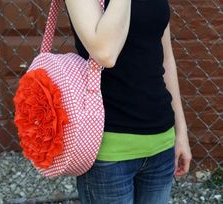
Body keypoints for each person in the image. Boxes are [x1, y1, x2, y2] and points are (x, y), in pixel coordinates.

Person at [64, 0, 192, 203]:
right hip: (109, 149)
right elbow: (106, 54)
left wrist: (181, 132)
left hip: (162, 142)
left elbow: (165, 58)